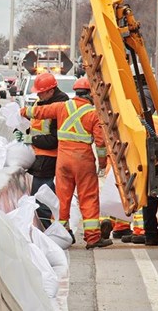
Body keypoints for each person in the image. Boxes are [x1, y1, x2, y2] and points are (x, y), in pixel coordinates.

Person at [20, 77, 113, 249]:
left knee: (62, 198)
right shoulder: (93, 114)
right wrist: (102, 163)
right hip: (83, 161)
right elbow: (100, 143)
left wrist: (23, 111)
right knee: (88, 197)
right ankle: (92, 238)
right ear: (91, 94)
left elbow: (40, 112)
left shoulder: (62, 107)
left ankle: (62, 234)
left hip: (62, 161)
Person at [14, 72, 70, 230]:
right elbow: (38, 128)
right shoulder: (43, 101)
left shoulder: (60, 105)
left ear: (51, 91)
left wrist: (31, 140)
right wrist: (25, 131)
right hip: (41, 157)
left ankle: (50, 233)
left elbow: (54, 139)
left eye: (41, 91)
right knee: (41, 198)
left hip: (50, 158)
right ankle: (52, 231)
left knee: (42, 200)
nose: (38, 94)